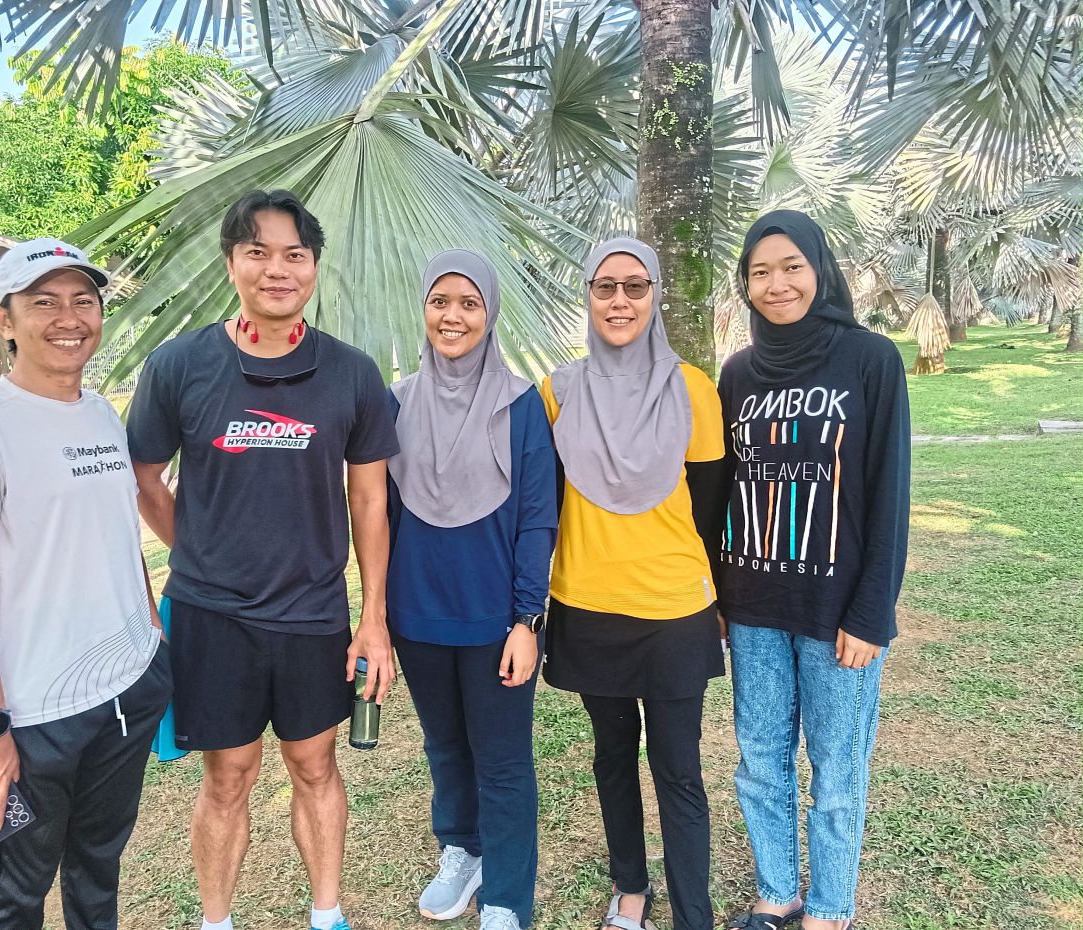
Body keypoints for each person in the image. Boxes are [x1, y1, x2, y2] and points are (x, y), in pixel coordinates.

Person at [125, 190, 400, 930]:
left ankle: (327, 914)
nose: (276, 269)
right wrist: (199, 553)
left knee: (315, 768)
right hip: (214, 619)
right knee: (227, 779)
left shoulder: (350, 373)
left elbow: (370, 499)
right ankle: (216, 922)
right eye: (258, 252)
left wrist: (372, 619)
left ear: (313, 267)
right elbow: (144, 476)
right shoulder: (180, 365)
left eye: (294, 255)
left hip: (313, 614)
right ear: (232, 263)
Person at [0, 237, 172, 930]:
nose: (69, 317)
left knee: (98, 866)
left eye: (83, 300)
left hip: (126, 692)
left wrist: (150, 638)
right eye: (44, 303)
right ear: (3, 320)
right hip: (35, 715)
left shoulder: (99, 412)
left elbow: (116, 535)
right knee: (16, 889)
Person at [716, 210, 910, 930]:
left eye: (792, 266)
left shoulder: (871, 360)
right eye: (760, 271)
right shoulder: (737, 373)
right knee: (760, 761)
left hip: (837, 616)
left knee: (837, 772)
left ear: (820, 270)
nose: (777, 284)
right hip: (754, 605)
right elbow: (724, 490)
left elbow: (889, 494)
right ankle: (778, 894)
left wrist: (871, 614)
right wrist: (718, 596)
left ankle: (829, 909)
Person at [539, 237, 728, 930]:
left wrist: (719, 606)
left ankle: (694, 914)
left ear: (655, 298)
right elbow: (546, 505)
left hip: (674, 610)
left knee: (677, 767)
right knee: (612, 755)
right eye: (605, 287)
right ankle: (630, 888)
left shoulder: (693, 389)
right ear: (587, 296)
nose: (620, 301)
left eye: (635, 286)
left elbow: (709, 512)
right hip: (587, 606)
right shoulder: (557, 392)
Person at [386, 250, 556, 930]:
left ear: (489, 314)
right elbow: (378, 514)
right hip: (418, 613)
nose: (452, 315)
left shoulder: (519, 406)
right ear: (424, 309)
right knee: (444, 745)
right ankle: (462, 850)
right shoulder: (394, 402)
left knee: (503, 757)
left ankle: (509, 891)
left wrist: (527, 619)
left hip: (495, 620)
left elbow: (539, 517)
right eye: (440, 301)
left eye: (468, 303)